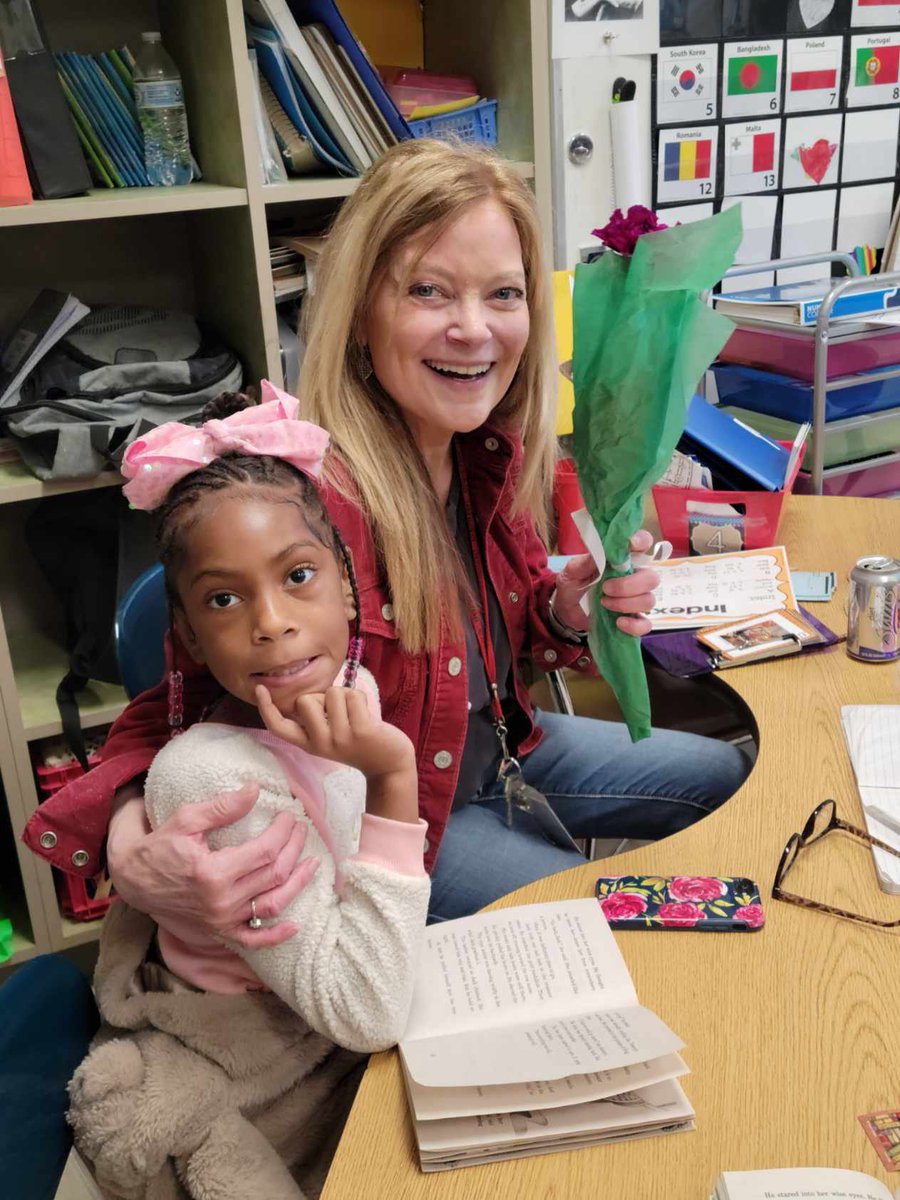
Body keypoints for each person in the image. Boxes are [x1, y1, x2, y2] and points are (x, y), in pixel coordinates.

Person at [24, 138, 749, 940]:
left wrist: (567, 610)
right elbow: (167, 714)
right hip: (401, 824)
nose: (474, 330)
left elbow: (483, 648)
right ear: (363, 313)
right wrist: (131, 848)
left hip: (502, 754)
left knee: (733, 774)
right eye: (429, 291)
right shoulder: (302, 502)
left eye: (503, 295)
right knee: (615, 930)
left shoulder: (484, 453)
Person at [66, 391, 430, 1198]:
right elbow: (366, 1012)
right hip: (273, 1060)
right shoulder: (215, 780)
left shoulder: (347, 689)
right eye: (224, 599)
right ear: (190, 635)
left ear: (347, 586)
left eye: (298, 576)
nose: (272, 622)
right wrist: (392, 780)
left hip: (326, 990)